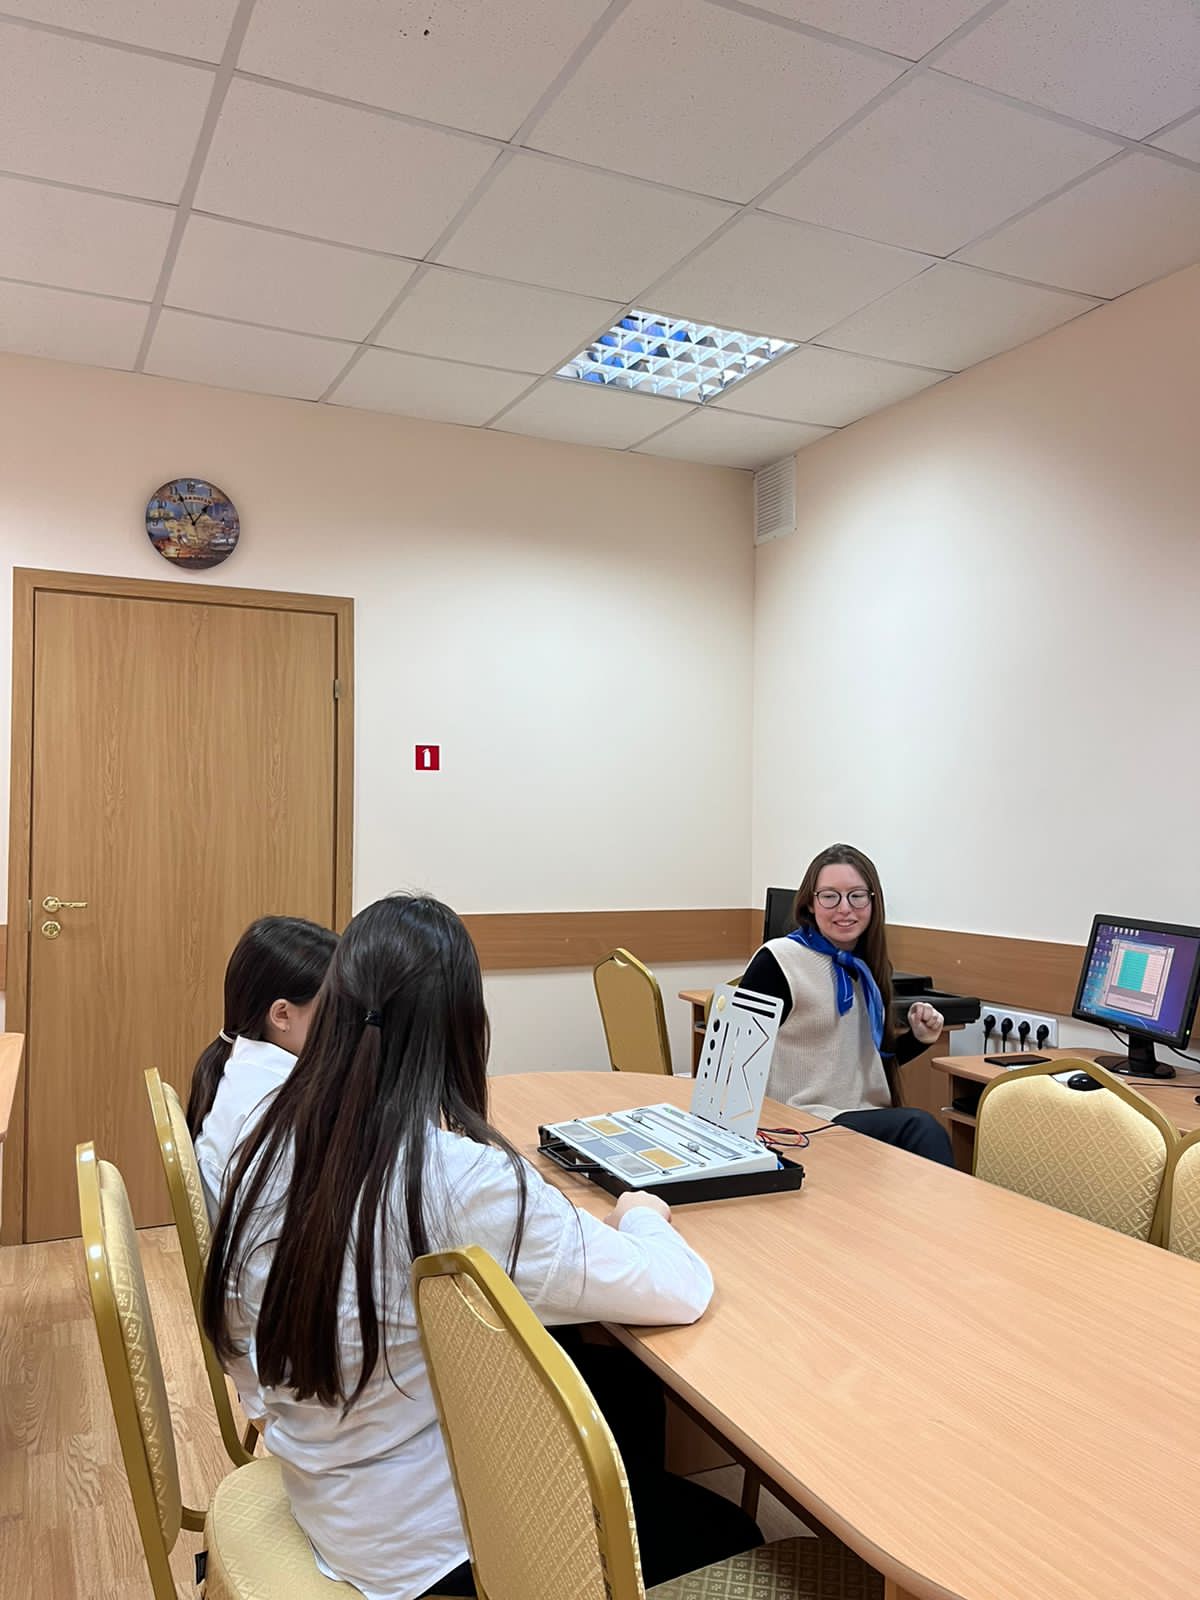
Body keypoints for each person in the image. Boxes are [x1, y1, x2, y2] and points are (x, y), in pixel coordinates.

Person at [203, 894, 761, 1600]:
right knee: (733, 1533)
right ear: (462, 1027)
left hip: (333, 1486)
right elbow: (676, 1290)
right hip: (435, 1547)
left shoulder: (265, 1136)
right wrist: (642, 1215)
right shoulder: (458, 1179)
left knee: (611, 1381)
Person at [742, 844, 953, 1164]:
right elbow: (734, 1063)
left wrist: (919, 1039)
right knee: (920, 1127)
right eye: (830, 896)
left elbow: (862, 1068)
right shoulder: (779, 960)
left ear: (873, 902)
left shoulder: (866, 968)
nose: (845, 908)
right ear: (810, 903)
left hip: (855, 1118)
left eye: (857, 896)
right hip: (800, 1121)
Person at [188, 915, 338, 1219]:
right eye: (336, 1006)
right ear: (282, 1015)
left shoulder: (240, 1069)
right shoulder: (281, 1108)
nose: (346, 1020)